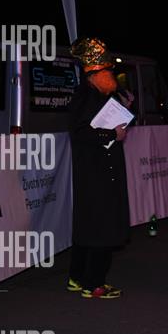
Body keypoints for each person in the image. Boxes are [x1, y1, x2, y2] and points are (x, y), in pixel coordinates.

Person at [67, 37, 134, 299]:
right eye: (107, 71)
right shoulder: (85, 96)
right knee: (101, 228)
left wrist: (124, 111)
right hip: (95, 172)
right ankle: (93, 284)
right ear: (95, 74)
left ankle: (77, 277)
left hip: (100, 171)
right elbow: (79, 132)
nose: (111, 75)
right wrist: (111, 135)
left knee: (88, 227)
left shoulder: (100, 95)